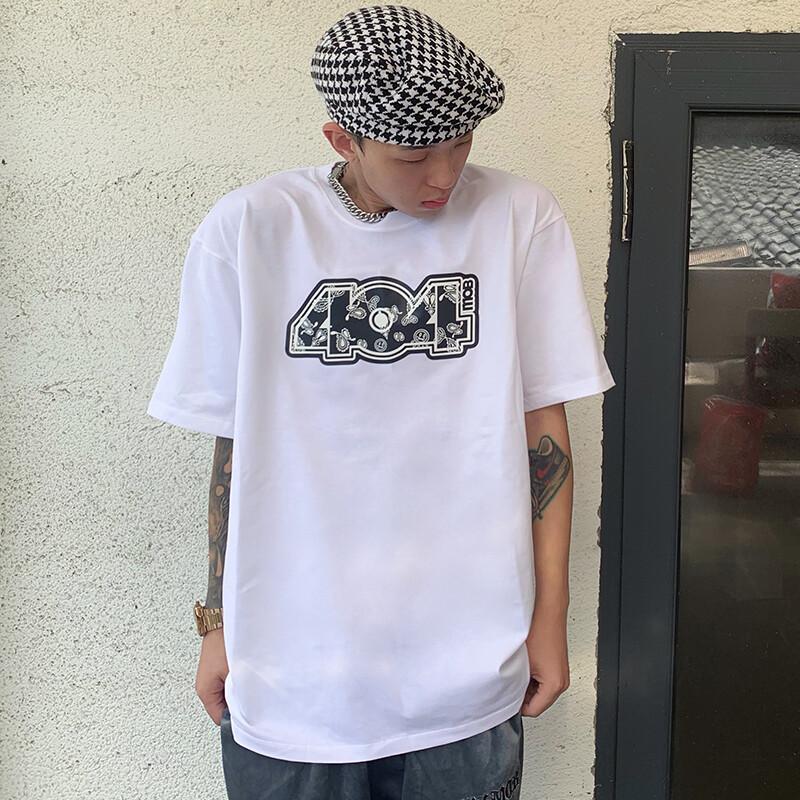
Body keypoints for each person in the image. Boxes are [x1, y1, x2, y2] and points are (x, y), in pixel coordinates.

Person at [146, 4, 616, 799]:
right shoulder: (251, 230)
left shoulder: (519, 218)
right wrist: (218, 625)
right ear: (342, 140)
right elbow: (233, 446)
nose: (445, 176)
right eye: (415, 155)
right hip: (294, 678)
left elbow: (544, 426)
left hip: (469, 672)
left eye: (462, 143)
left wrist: (550, 616)